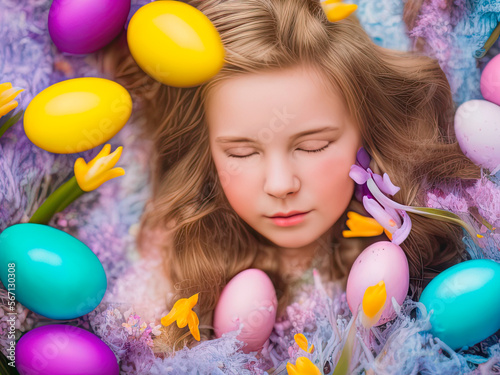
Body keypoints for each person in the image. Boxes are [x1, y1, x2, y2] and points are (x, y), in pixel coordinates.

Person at [96, 0, 481, 357]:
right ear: (207, 153)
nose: (280, 185)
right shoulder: (170, 262)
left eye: (312, 146)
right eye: (242, 153)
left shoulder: (422, 248)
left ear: (365, 131)